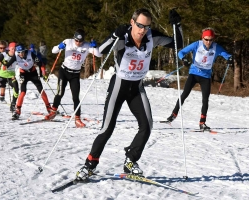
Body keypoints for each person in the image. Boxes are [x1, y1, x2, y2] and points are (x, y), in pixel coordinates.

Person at [75, 8, 183, 180]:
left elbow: (178, 44)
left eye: (146, 26)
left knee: (147, 126)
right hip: (119, 86)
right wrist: (112, 35)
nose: (142, 30)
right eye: (139, 25)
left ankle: (130, 160)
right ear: (132, 22)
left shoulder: (151, 37)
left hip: (137, 88)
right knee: (107, 128)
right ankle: (90, 164)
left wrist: (177, 26)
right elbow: (99, 51)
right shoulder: (123, 38)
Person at [166, 27, 232, 131]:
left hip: (206, 76)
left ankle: (202, 123)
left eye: (211, 40)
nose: (208, 42)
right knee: (184, 95)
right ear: (202, 38)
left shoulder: (216, 47)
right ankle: (173, 115)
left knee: (205, 100)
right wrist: (184, 60)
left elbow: (227, 55)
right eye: (206, 39)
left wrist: (230, 59)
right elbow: (181, 53)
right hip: (194, 74)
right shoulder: (197, 44)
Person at [44, 29, 102, 128]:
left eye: (80, 41)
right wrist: (59, 46)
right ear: (74, 38)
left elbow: (99, 54)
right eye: (76, 40)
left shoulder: (87, 45)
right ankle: (53, 112)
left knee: (76, 97)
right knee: (59, 93)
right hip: (64, 72)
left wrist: (95, 46)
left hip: (75, 74)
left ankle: (77, 119)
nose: (78, 43)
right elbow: (54, 51)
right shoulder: (68, 41)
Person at [3, 44, 52, 120]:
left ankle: (49, 108)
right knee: (23, 92)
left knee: (41, 90)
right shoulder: (16, 55)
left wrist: (44, 74)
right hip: (23, 74)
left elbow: (41, 64)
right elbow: (8, 64)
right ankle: (18, 111)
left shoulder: (30, 53)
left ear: (25, 51)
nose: (21, 54)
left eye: (22, 52)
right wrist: (5, 65)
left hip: (33, 73)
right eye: (19, 52)